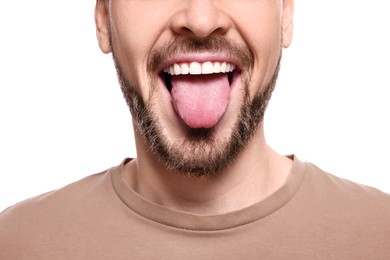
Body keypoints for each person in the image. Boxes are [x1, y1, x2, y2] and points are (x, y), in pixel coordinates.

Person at [1, 0, 389, 258]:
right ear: (104, 20)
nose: (201, 21)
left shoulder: (380, 236)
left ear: (285, 13)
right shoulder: (17, 244)